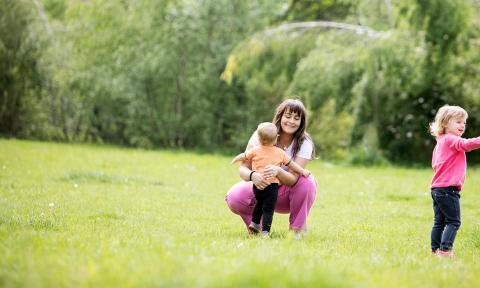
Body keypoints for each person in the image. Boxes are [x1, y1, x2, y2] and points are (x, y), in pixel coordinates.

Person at [225, 99, 317, 238]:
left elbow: (293, 179)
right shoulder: (262, 134)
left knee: (307, 180)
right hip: (261, 188)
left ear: (301, 122)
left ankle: (296, 230)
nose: (291, 121)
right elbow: (243, 169)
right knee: (234, 197)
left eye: (296, 118)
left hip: (285, 194)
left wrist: (279, 172)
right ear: (280, 116)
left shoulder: (305, 142)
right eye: (288, 116)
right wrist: (253, 176)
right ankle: (258, 228)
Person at [428, 105, 480, 258]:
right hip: (448, 189)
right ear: (445, 123)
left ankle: (434, 250)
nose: (462, 125)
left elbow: (434, 164)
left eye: (464, 122)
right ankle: (445, 251)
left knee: (439, 222)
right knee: (454, 222)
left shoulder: (440, 142)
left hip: (437, 188)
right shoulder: (451, 139)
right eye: (458, 122)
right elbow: (465, 145)